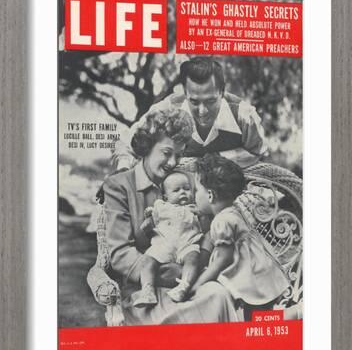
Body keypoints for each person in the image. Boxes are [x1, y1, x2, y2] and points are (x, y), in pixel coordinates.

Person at [104, 107, 242, 326]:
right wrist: (164, 274)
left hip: (189, 278)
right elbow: (120, 252)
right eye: (167, 153)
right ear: (148, 146)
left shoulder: (189, 181)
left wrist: (193, 268)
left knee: (218, 294)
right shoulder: (120, 186)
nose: (172, 163)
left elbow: (208, 228)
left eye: (179, 155)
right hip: (145, 291)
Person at [113, 56, 267, 170]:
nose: (202, 112)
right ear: (185, 92)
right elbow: (127, 142)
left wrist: (214, 160)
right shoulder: (168, 108)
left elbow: (258, 155)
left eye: (210, 101)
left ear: (222, 92)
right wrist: (123, 170)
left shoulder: (244, 115)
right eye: (194, 101)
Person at [192, 153, 290, 305]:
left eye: (196, 190)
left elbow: (223, 259)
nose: (194, 195)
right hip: (264, 273)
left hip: (250, 279)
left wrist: (198, 284)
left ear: (210, 195)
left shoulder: (221, 221)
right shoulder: (234, 211)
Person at [133, 170, 203, 307]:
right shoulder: (161, 207)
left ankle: (184, 287)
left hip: (187, 245)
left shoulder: (195, 208)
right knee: (147, 260)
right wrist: (148, 220)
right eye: (176, 190)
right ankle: (147, 290)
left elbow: (204, 229)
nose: (183, 192)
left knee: (194, 258)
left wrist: (201, 215)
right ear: (165, 196)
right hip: (163, 245)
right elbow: (147, 225)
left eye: (187, 189)